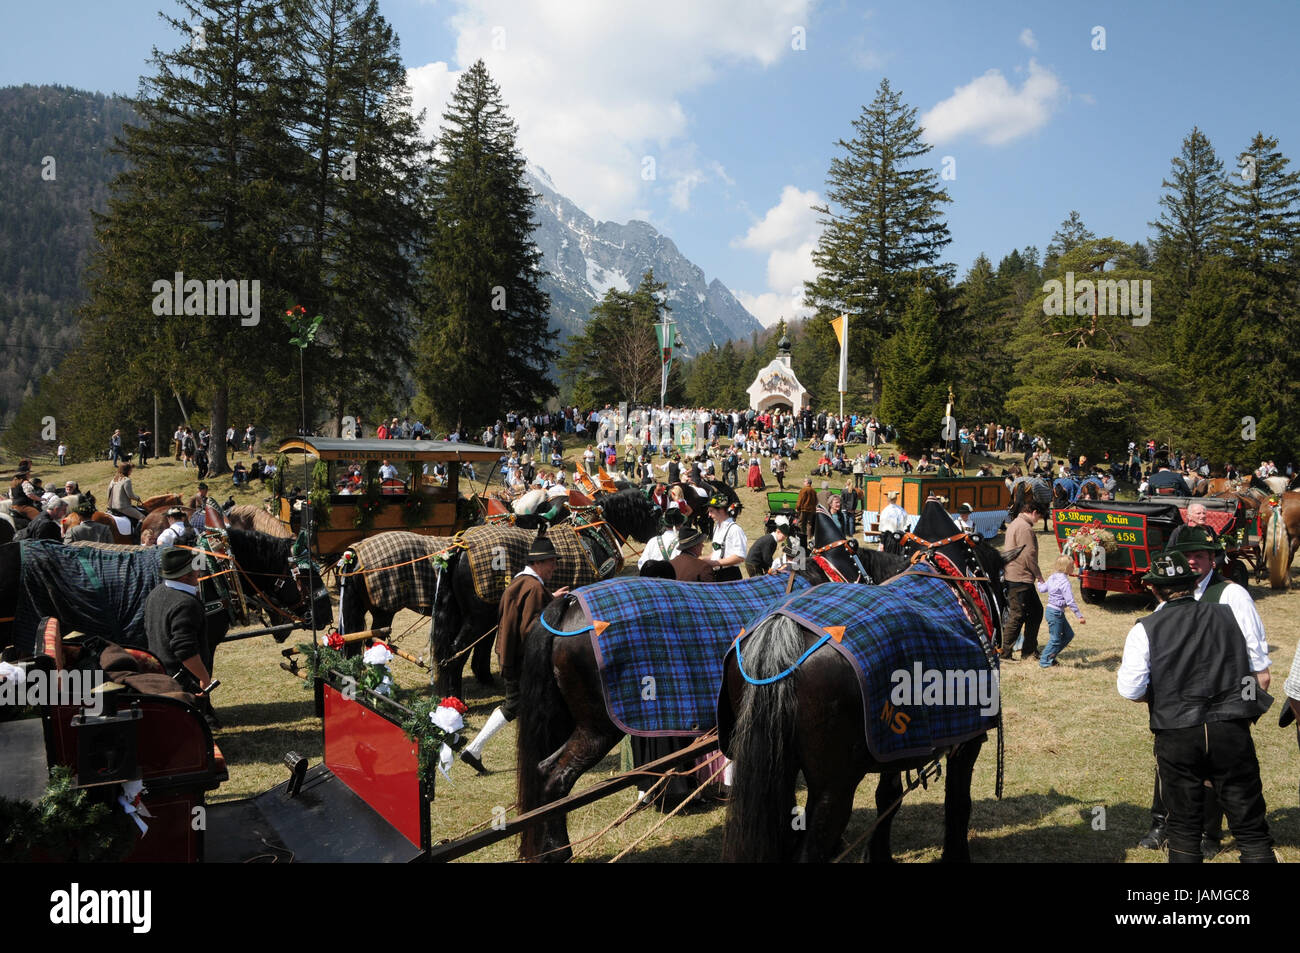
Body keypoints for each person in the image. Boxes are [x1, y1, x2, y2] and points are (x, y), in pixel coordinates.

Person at [1117, 549, 1275, 863]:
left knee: (1185, 830)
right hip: (1230, 727)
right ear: (1192, 583)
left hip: (1177, 732)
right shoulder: (1229, 614)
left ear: (1153, 588)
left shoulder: (1144, 628)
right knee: (1251, 828)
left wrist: (1165, 694)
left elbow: (1131, 689)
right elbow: (1258, 670)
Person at [460, 534, 569, 774]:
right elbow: (531, 628)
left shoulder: (522, 583)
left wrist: (550, 598)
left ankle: (475, 749)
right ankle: (478, 749)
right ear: (539, 562)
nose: (555, 567)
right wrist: (554, 608)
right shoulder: (534, 587)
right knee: (527, 705)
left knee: (518, 706)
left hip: (510, 656)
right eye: (552, 561)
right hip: (523, 661)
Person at [145, 547, 217, 727]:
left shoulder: (156, 593)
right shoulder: (186, 603)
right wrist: (204, 678)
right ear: (185, 575)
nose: (198, 569)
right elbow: (184, 650)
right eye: (194, 567)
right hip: (182, 683)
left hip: (162, 674)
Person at [1000, 498, 1045, 662]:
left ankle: (1029, 650)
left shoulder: (1015, 523)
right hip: (1020, 577)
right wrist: (1039, 575)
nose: (1038, 520)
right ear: (1033, 512)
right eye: (1038, 517)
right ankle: (1005, 653)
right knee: (1018, 615)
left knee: (1035, 612)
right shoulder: (1025, 528)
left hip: (1016, 575)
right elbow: (1028, 555)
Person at [1036, 555, 1085, 667]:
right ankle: (1045, 661)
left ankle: (1050, 655)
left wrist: (1039, 580)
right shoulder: (1065, 583)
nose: (1074, 567)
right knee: (1055, 640)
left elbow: (1042, 589)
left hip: (1052, 611)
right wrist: (1079, 616)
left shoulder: (1053, 577)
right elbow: (1070, 601)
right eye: (1072, 566)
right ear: (1066, 567)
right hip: (1055, 613)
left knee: (1068, 634)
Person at [706, 495, 748, 582]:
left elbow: (739, 557)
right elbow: (716, 552)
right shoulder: (716, 527)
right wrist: (701, 560)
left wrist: (715, 563)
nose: (709, 515)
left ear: (721, 510)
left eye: (711, 511)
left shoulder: (735, 529)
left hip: (730, 575)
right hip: (717, 574)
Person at [637, 501, 685, 569]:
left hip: (653, 578)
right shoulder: (683, 543)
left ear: (665, 525)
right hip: (675, 578)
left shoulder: (652, 541)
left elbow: (641, 563)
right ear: (680, 525)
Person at [877, 490, 909, 554]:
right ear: (896, 499)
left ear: (888, 499)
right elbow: (907, 526)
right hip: (899, 539)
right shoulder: (902, 510)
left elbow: (883, 529)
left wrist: (882, 543)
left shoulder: (885, 511)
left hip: (888, 539)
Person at [796, 477, 818, 546]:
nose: (803, 482)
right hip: (811, 510)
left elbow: (800, 500)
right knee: (809, 524)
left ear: (808, 483)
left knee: (800, 523)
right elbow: (816, 501)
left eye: (804, 481)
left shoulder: (804, 490)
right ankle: (809, 537)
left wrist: (797, 508)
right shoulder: (814, 491)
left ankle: (801, 536)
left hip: (803, 509)